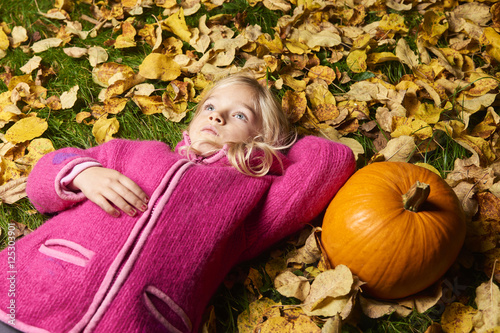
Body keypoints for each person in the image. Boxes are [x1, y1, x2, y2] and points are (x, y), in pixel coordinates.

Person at [0, 73, 355, 333]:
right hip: (30, 287)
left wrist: (267, 155)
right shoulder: (134, 152)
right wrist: (82, 174)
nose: (218, 116)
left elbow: (331, 160)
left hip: (135, 320)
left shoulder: (250, 201)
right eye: (212, 107)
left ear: (262, 138)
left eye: (240, 115)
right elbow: (42, 181)